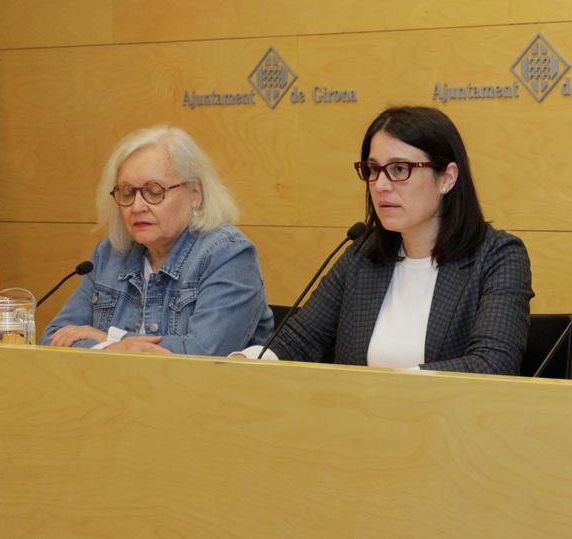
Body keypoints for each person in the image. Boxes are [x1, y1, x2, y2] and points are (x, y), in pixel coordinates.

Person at [238, 106, 533, 374]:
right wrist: (242, 363)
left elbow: (494, 364)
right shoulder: (362, 255)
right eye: (373, 169)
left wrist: (393, 390)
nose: (380, 186)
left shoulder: (497, 257)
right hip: (360, 427)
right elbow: (296, 342)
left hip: (450, 428)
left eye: (399, 170)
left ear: (447, 178)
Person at [41, 125, 273, 355]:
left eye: (154, 191)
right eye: (127, 192)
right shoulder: (110, 254)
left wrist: (109, 340)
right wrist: (113, 347)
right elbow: (53, 338)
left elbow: (203, 354)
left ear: (195, 193)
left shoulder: (227, 254)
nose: (137, 206)